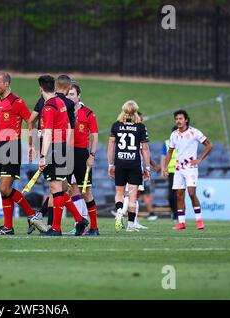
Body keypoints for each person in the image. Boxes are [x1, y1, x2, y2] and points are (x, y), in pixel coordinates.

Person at [0, 71, 45, 235]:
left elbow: (30, 120)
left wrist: (32, 144)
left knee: (5, 188)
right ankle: (8, 227)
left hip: (12, 147)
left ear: (6, 84)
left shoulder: (17, 102)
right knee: (2, 189)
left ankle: (32, 214)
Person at [27, 75, 84, 231]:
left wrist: (43, 156)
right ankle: (78, 220)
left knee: (55, 188)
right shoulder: (61, 102)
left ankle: (56, 228)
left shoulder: (48, 106)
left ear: (40, 88)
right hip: (62, 146)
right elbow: (68, 125)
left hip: (54, 148)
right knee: (58, 188)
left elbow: (47, 132)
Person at [163, 110, 212, 230]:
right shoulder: (174, 134)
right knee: (179, 195)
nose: (178, 121)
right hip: (178, 169)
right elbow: (170, 152)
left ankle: (199, 220)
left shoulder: (194, 132)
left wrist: (200, 159)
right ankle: (181, 222)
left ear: (186, 120)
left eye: (180, 119)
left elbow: (209, 145)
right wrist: (165, 167)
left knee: (191, 193)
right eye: (176, 119)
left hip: (191, 168)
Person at [108, 100, 150, 232]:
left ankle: (120, 210)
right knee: (132, 196)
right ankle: (131, 225)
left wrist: (110, 164)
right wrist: (147, 167)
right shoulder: (140, 127)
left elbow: (111, 146)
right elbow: (145, 149)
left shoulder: (116, 125)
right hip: (134, 164)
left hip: (120, 163)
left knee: (119, 193)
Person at [65, 82, 100, 236]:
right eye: (67, 94)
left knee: (86, 192)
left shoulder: (88, 113)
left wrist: (91, 155)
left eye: (72, 94)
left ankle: (94, 227)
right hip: (65, 153)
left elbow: (94, 136)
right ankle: (79, 223)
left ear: (79, 95)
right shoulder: (63, 111)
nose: (69, 97)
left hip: (81, 154)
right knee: (68, 190)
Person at [161, 126, 178, 220]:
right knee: (171, 195)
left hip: (181, 171)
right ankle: (174, 212)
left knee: (179, 194)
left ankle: (179, 214)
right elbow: (163, 157)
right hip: (171, 172)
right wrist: (164, 169)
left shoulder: (183, 142)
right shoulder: (167, 143)